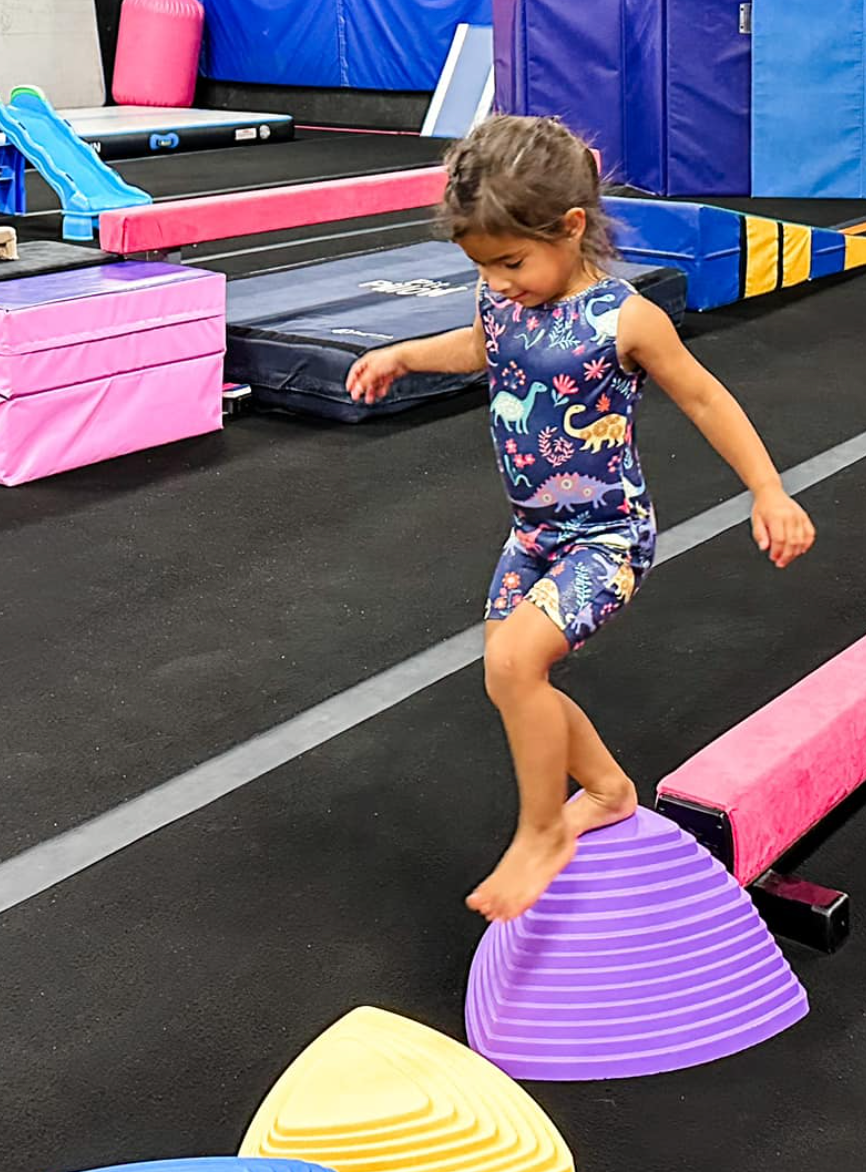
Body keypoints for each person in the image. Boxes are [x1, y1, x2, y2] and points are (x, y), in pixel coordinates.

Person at [345, 115, 816, 923]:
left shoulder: (623, 319)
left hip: (606, 539)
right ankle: (605, 789)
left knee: (513, 665)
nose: (498, 282)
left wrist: (768, 490)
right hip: (533, 535)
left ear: (569, 227)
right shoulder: (500, 299)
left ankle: (542, 832)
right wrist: (403, 355)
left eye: (511, 263)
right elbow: (482, 348)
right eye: (482, 266)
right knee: (508, 676)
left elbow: (705, 398)